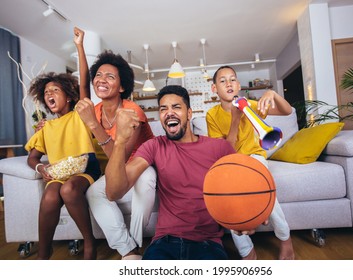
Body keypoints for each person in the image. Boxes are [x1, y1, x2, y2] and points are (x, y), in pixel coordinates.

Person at [104, 85, 242, 260]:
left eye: (176, 107)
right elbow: (113, 192)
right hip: (165, 243)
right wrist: (120, 141)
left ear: (189, 114)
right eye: (163, 109)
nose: (169, 113)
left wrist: (246, 217)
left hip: (208, 243)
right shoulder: (154, 146)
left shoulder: (219, 148)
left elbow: (240, 187)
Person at [73, 32, 156, 260]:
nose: (102, 79)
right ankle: (127, 249)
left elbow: (120, 156)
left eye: (110, 76)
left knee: (146, 178)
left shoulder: (132, 112)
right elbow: (82, 85)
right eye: (98, 75)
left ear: (121, 87)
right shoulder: (96, 110)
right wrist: (79, 47)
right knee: (93, 193)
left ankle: (137, 243)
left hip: (143, 163)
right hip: (118, 168)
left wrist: (93, 125)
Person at [24, 27, 101, 260]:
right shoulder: (46, 127)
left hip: (86, 168)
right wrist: (42, 168)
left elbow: (85, 81)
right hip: (59, 172)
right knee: (50, 196)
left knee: (69, 190)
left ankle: (89, 242)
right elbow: (32, 158)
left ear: (68, 95)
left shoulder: (80, 112)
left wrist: (79, 46)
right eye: (47, 92)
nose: (50, 94)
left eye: (55, 90)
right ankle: (44, 253)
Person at [206, 65, 295, 260]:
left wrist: (272, 93)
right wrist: (236, 120)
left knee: (266, 190)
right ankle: (246, 251)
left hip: (255, 157)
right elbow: (225, 149)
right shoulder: (211, 115)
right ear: (214, 89)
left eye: (232, 79)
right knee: (228, 199)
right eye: (222, 81)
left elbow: (287, 111)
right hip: (230, 161)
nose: (228, 83)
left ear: (238, 85)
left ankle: (285, 239)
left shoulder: (250, 104)